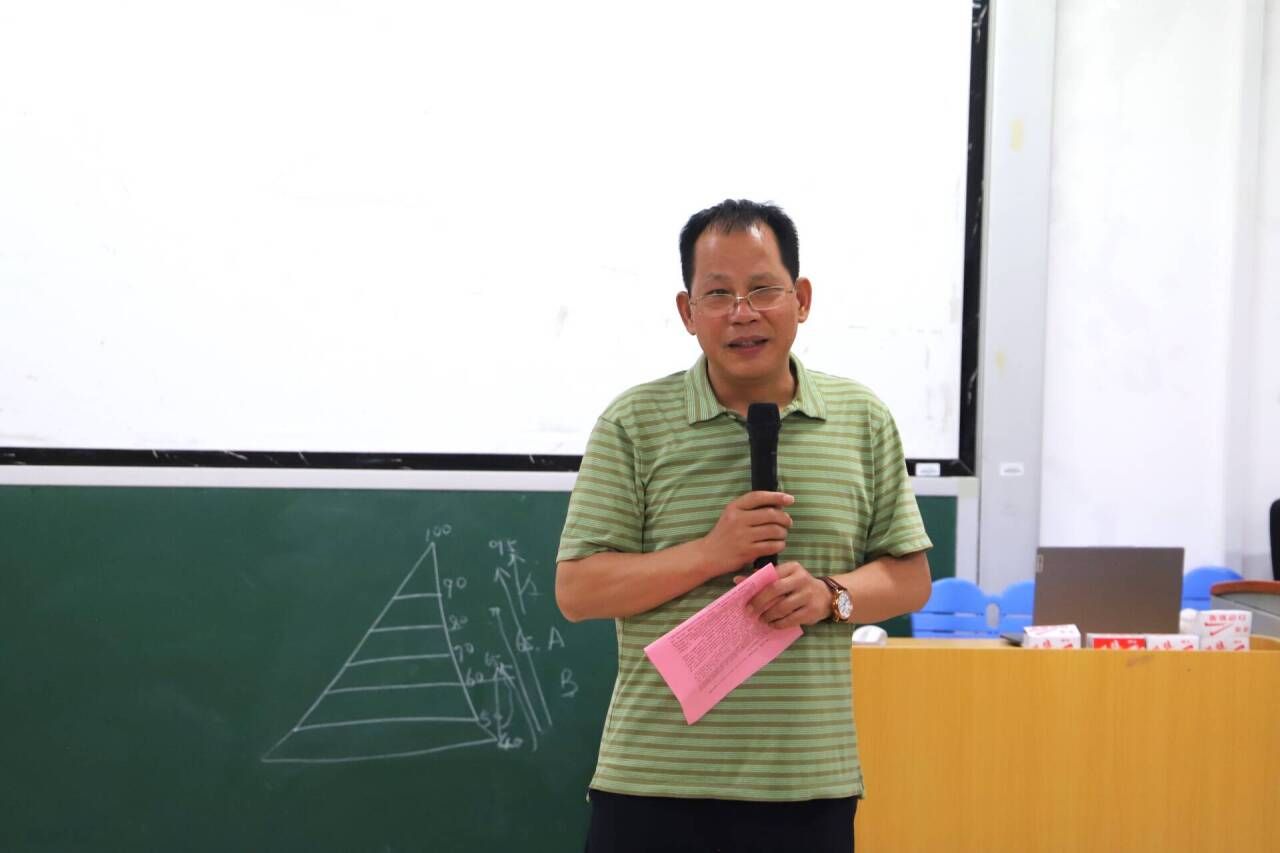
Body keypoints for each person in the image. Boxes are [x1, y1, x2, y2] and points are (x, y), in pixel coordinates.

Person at [555, 199, 933, 852]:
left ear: (801, 299)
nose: (742, 313)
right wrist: (711, 552)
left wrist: (830, 594)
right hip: (653, 784)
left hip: (807, 785)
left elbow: (910, 578)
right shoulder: (634, 423)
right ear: (687, 312)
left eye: (762, 289)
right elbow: (578, 590)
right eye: (718, 294)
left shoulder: (862, 418)